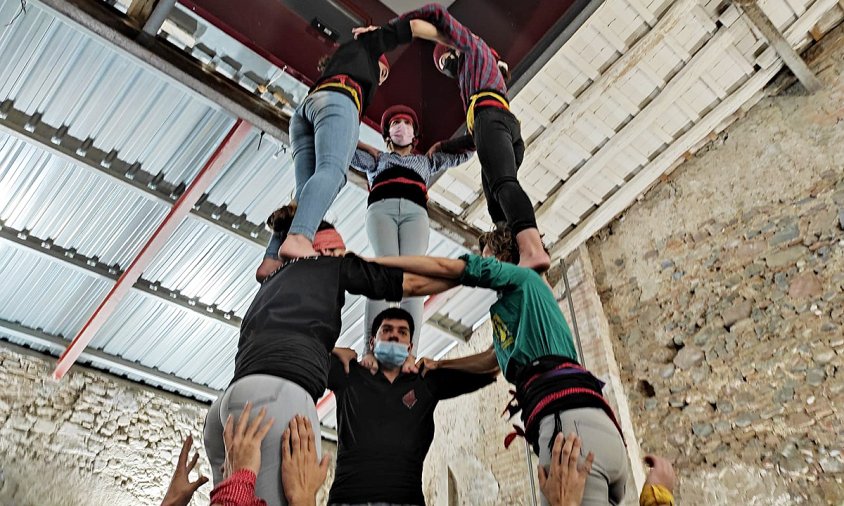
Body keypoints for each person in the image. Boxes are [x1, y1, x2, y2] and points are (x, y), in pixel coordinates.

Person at [205, 204, 459, 506]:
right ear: (320, 251)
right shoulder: (329, 266)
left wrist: (328, 350)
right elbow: (411, 284)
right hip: (276, 399)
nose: (344, 256)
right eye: (339, 250)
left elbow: (284, 337)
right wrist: (475, 275)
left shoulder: (272, 282)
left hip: (231, 401)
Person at [368, 226, 628, 505]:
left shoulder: (523, 278)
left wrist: (371, 264)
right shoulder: (516, 305)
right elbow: (492, 361)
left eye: (488, 257)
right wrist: (440, 364)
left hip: (570, 431)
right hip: (595, 428)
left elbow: (445, 266)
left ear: (502, 258)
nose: (485, 262)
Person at [356, 3, 551, 272]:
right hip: (499, 125)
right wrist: (445, 145)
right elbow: (473, 141)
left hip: (490, 118)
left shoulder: (473, 48)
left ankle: (532, 249)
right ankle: (514, 256)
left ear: (452, 50)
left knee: (503, 184)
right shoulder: (471, 81)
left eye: (446, 62)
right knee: (499, 207)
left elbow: (437, 15)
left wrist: (386, 33)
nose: (449, 68)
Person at [268, 17, 451, 265]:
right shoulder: (367, 49)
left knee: (304, 190)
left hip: (306, 110)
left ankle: (271, 258)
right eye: (382, 73)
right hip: (339, 99)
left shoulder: (341, 61)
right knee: (332, 171)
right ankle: (299, 237)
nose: (381, 79)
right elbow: (395, 32)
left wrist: (362, 145)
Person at [327, 307, 497, 505]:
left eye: (402, 332)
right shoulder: (349, 373)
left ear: (410, 348)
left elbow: (492, 364)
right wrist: (335, 349)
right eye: (387, 330)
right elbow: (291, 346)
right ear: (372, 342)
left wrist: (442, 364)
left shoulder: (424, 381)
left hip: (406, 499)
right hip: (348, 499)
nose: (394, 336)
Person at [353, 104, 475, 370]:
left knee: (413, 279)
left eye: (407, 123)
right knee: (383, 273)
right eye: (395, 122)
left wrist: (442, 143)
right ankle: (369, 350)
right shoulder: (377, 160)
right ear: (387, 134)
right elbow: (342, 147)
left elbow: (468, 150)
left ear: (414, 135)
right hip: (381, 210)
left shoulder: (425, 162)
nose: (401, 126)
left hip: (414, 214)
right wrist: (365, 145)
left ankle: (410, 354)